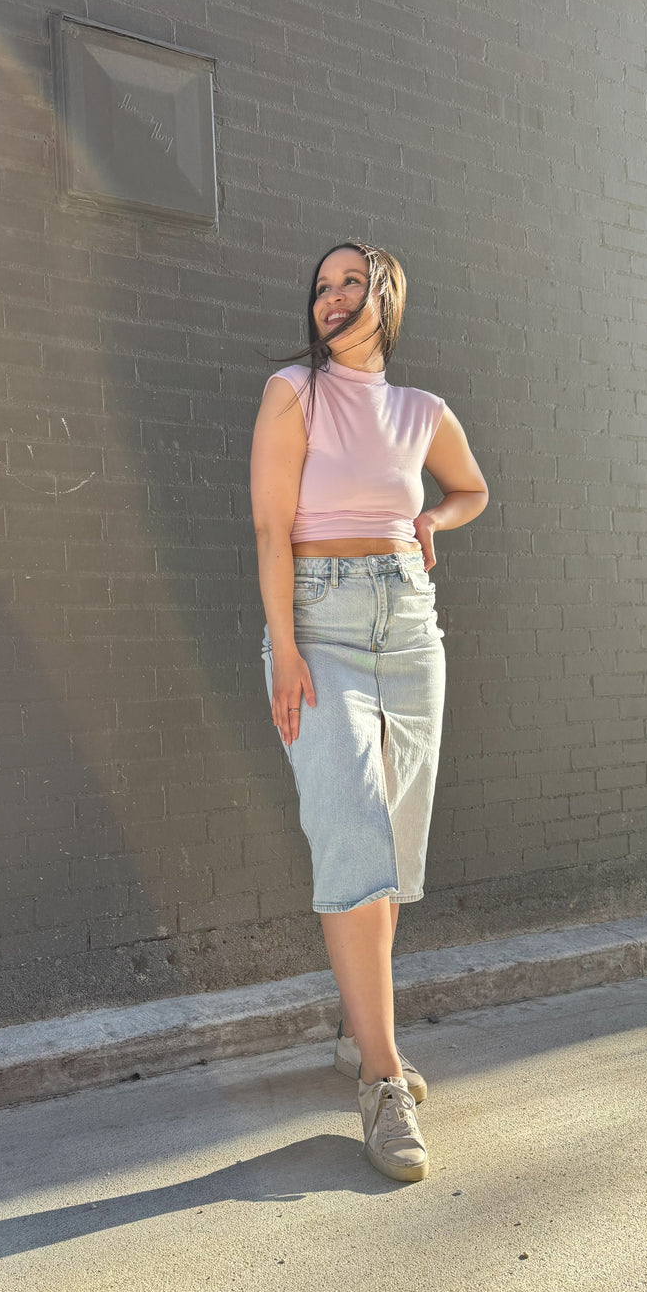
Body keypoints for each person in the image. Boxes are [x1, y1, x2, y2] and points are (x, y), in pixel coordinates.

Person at [250, 242, 488, 1183]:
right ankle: (383, 1081)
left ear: (388, 295)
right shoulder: (291, 393)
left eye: (352, 281)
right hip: (319, 619)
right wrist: (285, 650)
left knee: (388, 845)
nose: (332, 295)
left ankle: (362, 1035)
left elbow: (472, 490)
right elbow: (273, 526)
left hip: (409, 624)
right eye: (320, 284)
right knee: (348, 823)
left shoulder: (422, 412)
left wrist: (434, 520)